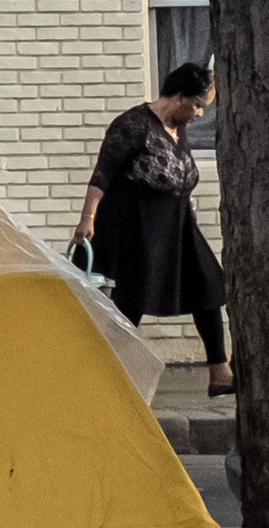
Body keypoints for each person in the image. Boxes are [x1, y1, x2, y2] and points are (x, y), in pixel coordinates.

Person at [75, 63, 230, 398]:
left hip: (177, 226)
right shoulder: (133, 124)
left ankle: (220, 372)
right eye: (198, 104)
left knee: (207, 286)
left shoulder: (177, 127)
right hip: (136, 226)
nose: (200, 113)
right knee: (132, 301)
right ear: (178, 95)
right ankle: (104, 377)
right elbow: (102, 175)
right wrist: (87, 218)